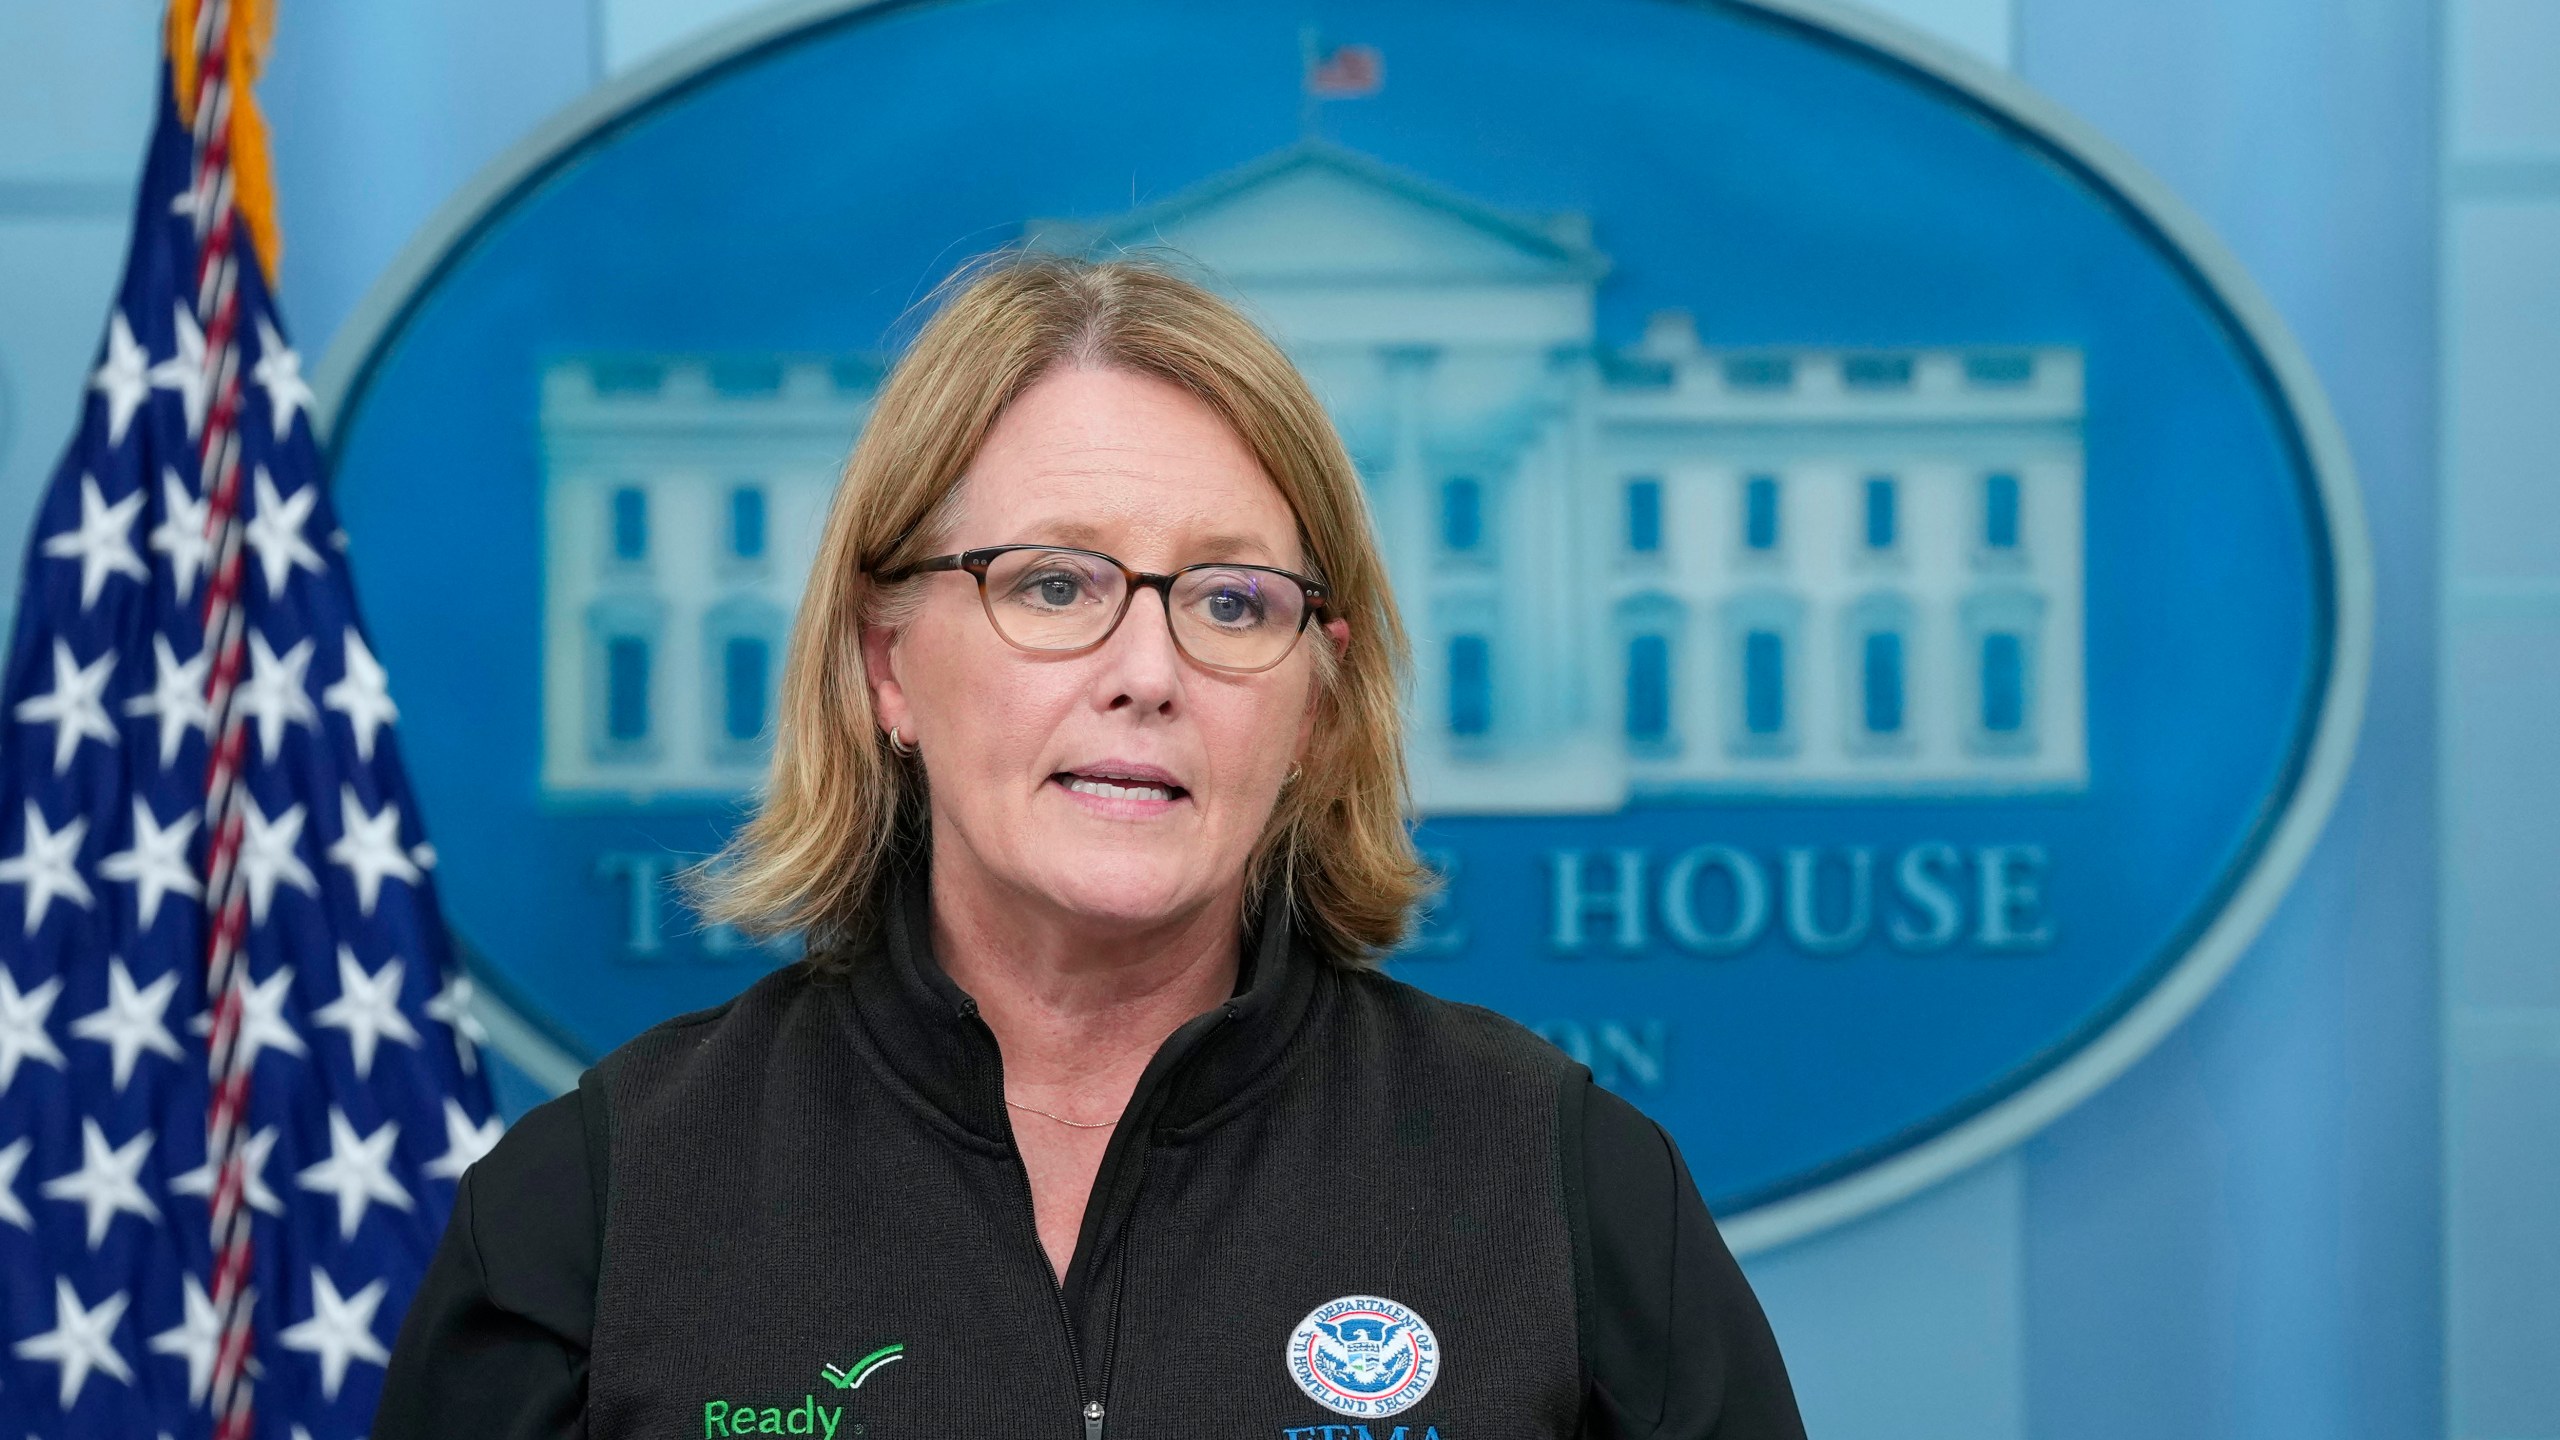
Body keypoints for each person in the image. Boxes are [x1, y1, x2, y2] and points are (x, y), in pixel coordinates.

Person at [374, 252, 1806, 1439]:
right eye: (1052, 583)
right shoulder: (603, 1205)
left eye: (1234, 603)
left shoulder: (1565, 1187)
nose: (1148, 670)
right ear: (886, 668)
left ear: (1316, 699)